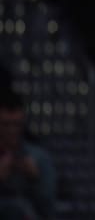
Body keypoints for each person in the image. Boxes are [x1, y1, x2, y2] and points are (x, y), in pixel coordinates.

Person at [0, 85, 57, 220]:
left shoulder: (39, 158)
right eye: (6, 124)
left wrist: (35, 179)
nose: (12, 131)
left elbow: (50, 210)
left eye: (17, 124)